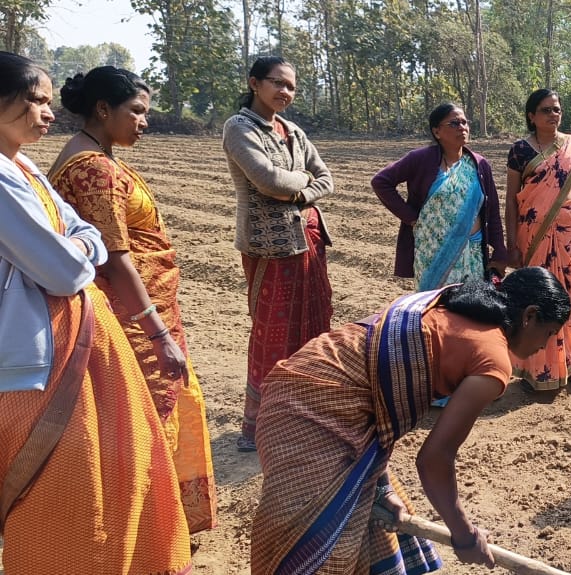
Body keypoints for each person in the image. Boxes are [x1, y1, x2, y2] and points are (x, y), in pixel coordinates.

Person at [0, 52, 191, 574]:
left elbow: (85, 237)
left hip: (65, 342)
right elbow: (64, 271)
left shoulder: (24, 167)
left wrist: (77, 246)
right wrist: (78, 250)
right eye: (35, 100)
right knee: (61, 490)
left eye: (47, 100)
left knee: (101, 476)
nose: (48, 112)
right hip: (31, 359)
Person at [250, 267, 570, 574]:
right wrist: (464, 534)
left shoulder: (454, 302)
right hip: (304, 414)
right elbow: (434, 459)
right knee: (319, 545)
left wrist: (380, 485)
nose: (544, 345)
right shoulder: (494, 363)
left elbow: (377, 393)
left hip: (308, 383)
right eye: (549, 333)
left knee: (376, 527)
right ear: (529, 316)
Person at [49, 65, 217, 534]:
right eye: (137, 111)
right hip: (130, 319)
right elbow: (117, 258)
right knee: (143, 416)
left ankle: (153, 525)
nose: (144, 121)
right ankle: (148, 531)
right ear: (103, 109)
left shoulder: (96, 155)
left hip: (137, 311)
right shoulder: (94, 169)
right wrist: (158, 333)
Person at [223, 56, 334, 452]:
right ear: (254, 83)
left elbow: (327, 178)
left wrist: (300, 192)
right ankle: (261, 426)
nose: (285, 92)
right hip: (269, 247)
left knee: (313, 326)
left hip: (309, 241)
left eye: (291, 87)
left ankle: (304, 415)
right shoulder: (239, 128)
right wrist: (304, 180)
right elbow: (267, 180)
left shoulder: (294, 131)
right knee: (273, 333)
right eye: (278, 83)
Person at [505, 88, 571, 392]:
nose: (554, 114)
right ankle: (533, 368)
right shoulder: (520, 151)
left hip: (569, 234)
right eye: (546, 110)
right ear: (531, 116)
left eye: (557, 109)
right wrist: (512, 242)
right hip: (532, 236)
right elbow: (511, 200)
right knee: (536, 299)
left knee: (570, 296)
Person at [372, 103, 506, 291]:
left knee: (471, 303)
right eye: (454, 123)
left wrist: (499, 250)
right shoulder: (421, 159)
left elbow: (492, 212)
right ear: (437, 132)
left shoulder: (479, 164)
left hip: (473, 252)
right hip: (432, 251)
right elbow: (381, 181)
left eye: (464, 122)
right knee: (435, 303)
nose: (462, 127)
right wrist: (411, 217)